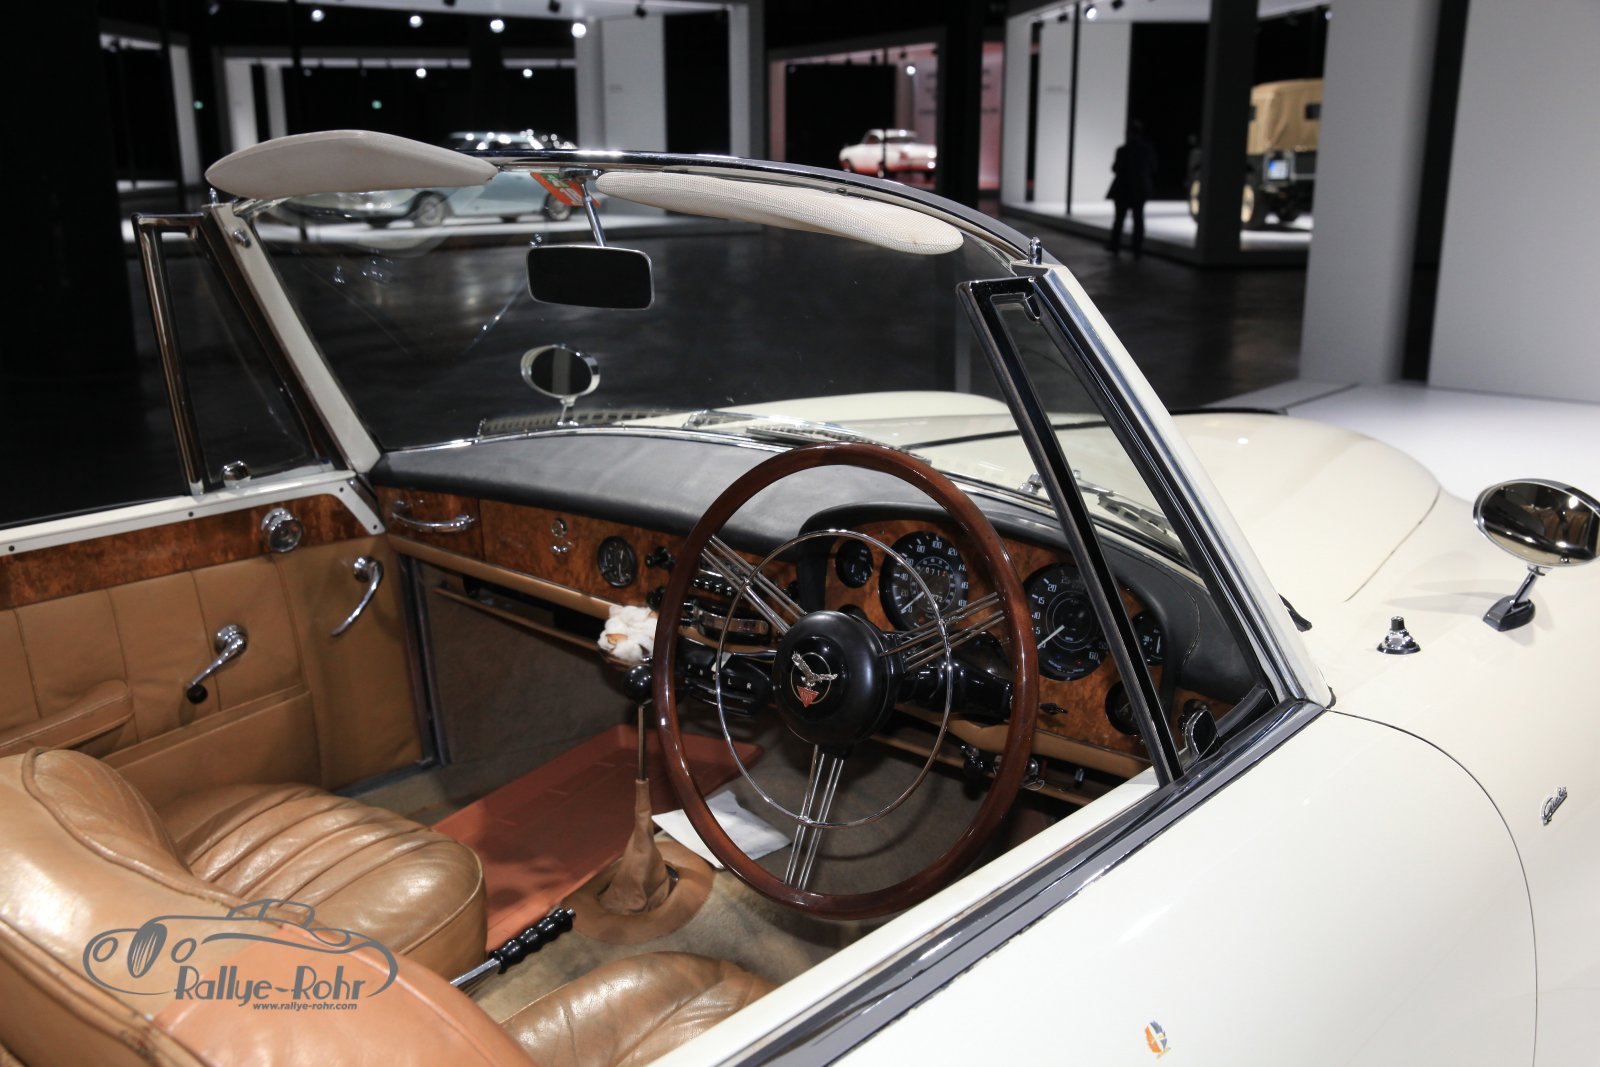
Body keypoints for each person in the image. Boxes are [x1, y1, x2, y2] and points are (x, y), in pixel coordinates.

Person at [1106, 120, 1158, 257]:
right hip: (1140, 189)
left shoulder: (1122, 150)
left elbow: (1115, 168)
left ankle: (1115, 246)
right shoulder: (1147, 149)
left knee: (1119, 219)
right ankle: (1137, 249)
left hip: (1123, 189)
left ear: (1129, 133)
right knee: (1138, 220)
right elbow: (1153, 167)